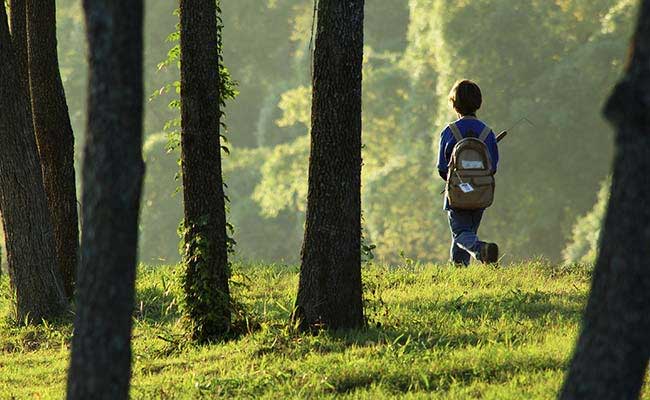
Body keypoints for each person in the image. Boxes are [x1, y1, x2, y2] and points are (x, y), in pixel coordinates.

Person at [437, 80, 499, 266]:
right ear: (478, 103)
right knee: (466, 233)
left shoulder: (449, 131)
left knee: (461, 234)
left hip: (457, 193)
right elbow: (493, 167)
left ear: (454, 104)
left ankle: (482, 250)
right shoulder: (487, 133)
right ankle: (458, 272)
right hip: (481, 192)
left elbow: (441, 167)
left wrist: (456, 181)